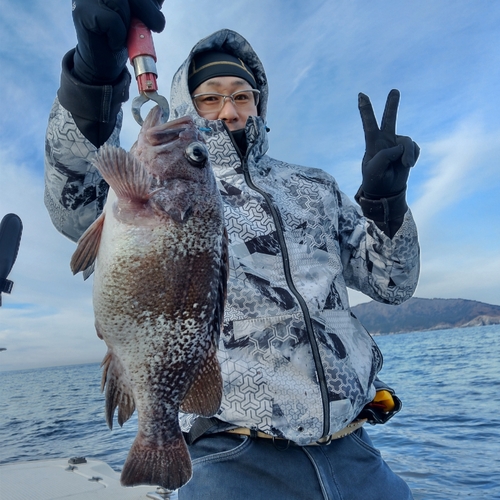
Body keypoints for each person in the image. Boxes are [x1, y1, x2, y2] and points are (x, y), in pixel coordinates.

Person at [44, 1, 420, 498]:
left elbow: (391, 283)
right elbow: (73, 204)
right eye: (211, 97)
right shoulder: (157, 183)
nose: (230, 108)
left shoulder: (314, 185)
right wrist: (92, 79)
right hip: (230, 457)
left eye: (244, 95)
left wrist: (385, 203)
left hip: (356, 452)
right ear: (186, 105)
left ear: (259, 104)